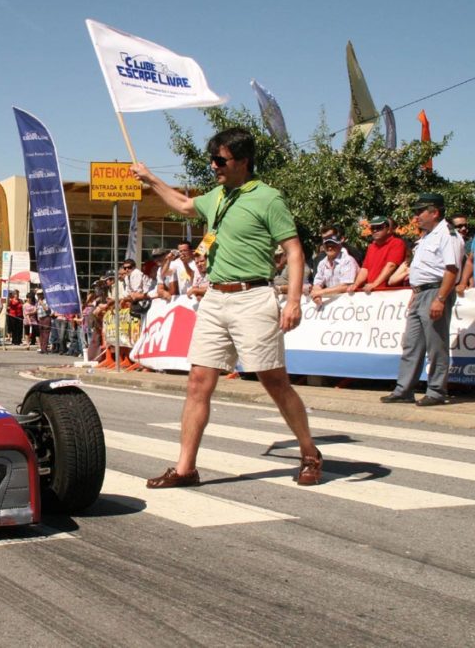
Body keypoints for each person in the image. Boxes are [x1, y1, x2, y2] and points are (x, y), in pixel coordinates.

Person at [131, 127, 322, 488]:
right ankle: (185, 468)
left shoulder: (268, 198)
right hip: (215, 297)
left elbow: (294, 252)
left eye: (221, 160)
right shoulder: (217, 195)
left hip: (253, 296)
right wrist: (150, 178)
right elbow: (185, 205)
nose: (213, 166)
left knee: (275, 382)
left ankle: (310, 452)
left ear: (243, 161)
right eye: (212, 159)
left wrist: (293, 301)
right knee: (197, 383)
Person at [381, 193, 464, 407]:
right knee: (412, 343)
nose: (416, 216)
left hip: (436, 291)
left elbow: (451, 270)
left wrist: (441, 299)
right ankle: (404, 389)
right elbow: (422, 270)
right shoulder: (427, 235)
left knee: (436, 344)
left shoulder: (448, 234)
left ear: (434, 212)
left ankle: (436, 391)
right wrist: (415, 293)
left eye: (420, 211)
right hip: (420, 293)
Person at [347, 216, 407, 294]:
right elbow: (365, 269)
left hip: (390, 293)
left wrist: (375, 284)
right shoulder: (371, 247)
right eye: (372, 228)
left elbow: (391, 266)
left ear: (388, 229)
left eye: (379, 227)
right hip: (372, 292)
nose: (375, 230)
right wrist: (356, 285)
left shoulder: (397, 243)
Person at [309, 235, 359, 306]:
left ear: (339, 246)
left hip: (351, 302)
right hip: (334, 304)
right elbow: (317, 283)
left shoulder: (347, 260)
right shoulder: (322, 263)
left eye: (333, 245)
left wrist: (320, 292)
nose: (329, 248)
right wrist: (317, 296)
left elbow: (345, 286)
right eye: (327, 245)